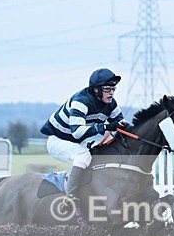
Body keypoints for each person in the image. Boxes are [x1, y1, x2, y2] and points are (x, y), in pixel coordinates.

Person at [40, 68, 128, 201]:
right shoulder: (81, 101)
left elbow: (122, 124)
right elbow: (77, 132)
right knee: (83, 156)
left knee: (99, 154)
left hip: (76, 142)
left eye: (113, 89)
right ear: (96, 90)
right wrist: (105, 127)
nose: (111, 93)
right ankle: (70, 195)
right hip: (58, 141)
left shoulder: (111, 103)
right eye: (107, 89)